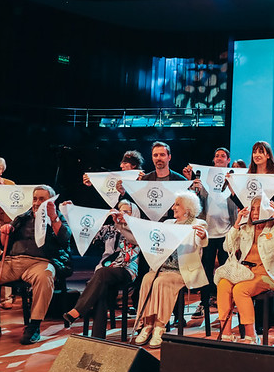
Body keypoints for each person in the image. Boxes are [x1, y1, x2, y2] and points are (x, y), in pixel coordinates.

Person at [0, 185, 72, 344]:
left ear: (50, 200)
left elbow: (65, 238)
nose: (37, 202)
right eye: (35, 198)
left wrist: (53, 217)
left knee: (46, 276)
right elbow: (4, 246)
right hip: (14, 261)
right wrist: (5, 232)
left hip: (41, 262)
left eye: (42, 199)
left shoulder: (56, 218)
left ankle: (34, 325)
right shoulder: (23, 218)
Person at [134, 191, 208, 349]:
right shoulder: (167, 223)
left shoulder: (198, 223)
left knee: (161, 282)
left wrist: (202, 236)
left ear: (187, 209)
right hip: (162, 267)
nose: (173, 207)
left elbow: (199, 241)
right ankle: (147, 324)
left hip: (182, 271)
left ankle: (160, 327)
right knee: (147, 278)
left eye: (177, 204)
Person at [62, 200, 141, 338]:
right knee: (102, 290)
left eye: (126, 212)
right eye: (120, 211)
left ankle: (78, 310)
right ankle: (98, 337)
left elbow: (135, 241)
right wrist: (70, 212)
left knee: (101, 273)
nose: (122, 214)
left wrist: (121, 225)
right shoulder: (108, 229)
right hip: (104, 272)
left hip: (126, 270)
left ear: (133, 214)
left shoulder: (138, 230)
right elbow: (84, 230)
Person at [218, 197, 274, 343]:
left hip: (267, 274)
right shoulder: (246, 228)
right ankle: (226, 333)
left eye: (259, 208)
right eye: (253, 208)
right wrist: (237, 223)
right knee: (223, 285)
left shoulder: (273, 228)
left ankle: (251, 335)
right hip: (244, 272)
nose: (255, 212)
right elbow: (228, 247)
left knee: (240, 290)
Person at [183, 147, 238, 318]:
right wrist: (191, 184)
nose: (219, 158)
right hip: (208, 233)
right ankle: (204, 302)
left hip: (226, 233)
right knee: (206, 271)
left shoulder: (232, 180)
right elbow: (196, 202)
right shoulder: (205, 179)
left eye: (223, 156)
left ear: (228, 160)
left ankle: (225, 303)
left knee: (225, 270)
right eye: (217, 156)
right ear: (213, 160)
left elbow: (237, 203)